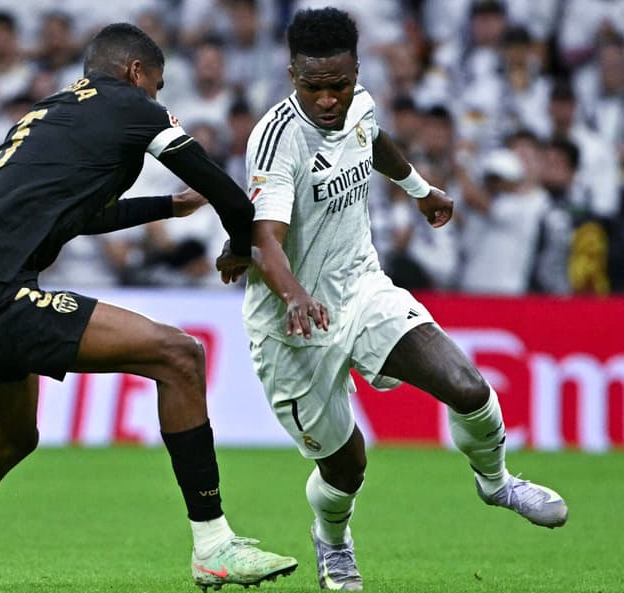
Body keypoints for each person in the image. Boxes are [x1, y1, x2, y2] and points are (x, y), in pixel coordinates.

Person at [0, 23, 298, 591]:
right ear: (134, 73)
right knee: (179, 356)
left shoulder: (51, 114)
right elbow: (227, 191)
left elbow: (81, 216)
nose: (158, 98)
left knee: (10, 439)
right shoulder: (133, 107)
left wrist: (169, 209)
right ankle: (213, 545)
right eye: (157, 85)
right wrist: (238, 245)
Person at [216, 8, 568, 591]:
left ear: (356, 70)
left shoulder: (361, 104)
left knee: (468, 386)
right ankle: (332, 541)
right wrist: (296, 295)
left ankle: (497, 481)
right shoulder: (276, 140)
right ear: (291, 75)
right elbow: (265, 241)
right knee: (346, 467)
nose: (329, 99)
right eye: (313, 87)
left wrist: (420, 189)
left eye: (339, 84)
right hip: (291, 328)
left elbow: (373, 140)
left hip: (361, 287)